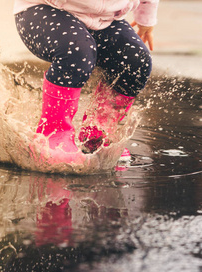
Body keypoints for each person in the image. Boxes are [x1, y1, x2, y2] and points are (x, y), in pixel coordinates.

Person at [13, 0, 159, 164]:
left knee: (136, 61)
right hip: (44, 10)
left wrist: (145, 19)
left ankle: (98, 133)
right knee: (77, 51)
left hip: (102, 19)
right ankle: (53, 135)